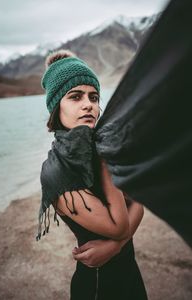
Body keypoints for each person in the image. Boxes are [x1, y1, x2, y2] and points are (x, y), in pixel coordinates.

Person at [37, 49, 147, 300]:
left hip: (129, 272)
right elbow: (119, 226)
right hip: (99, 285)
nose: (89, 104)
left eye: (94, 97)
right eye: (75, 97)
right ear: (56, 106)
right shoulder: (57, 171)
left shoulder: (98, 147)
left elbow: (139, 203)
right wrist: (106, 164)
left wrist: (114, 247)